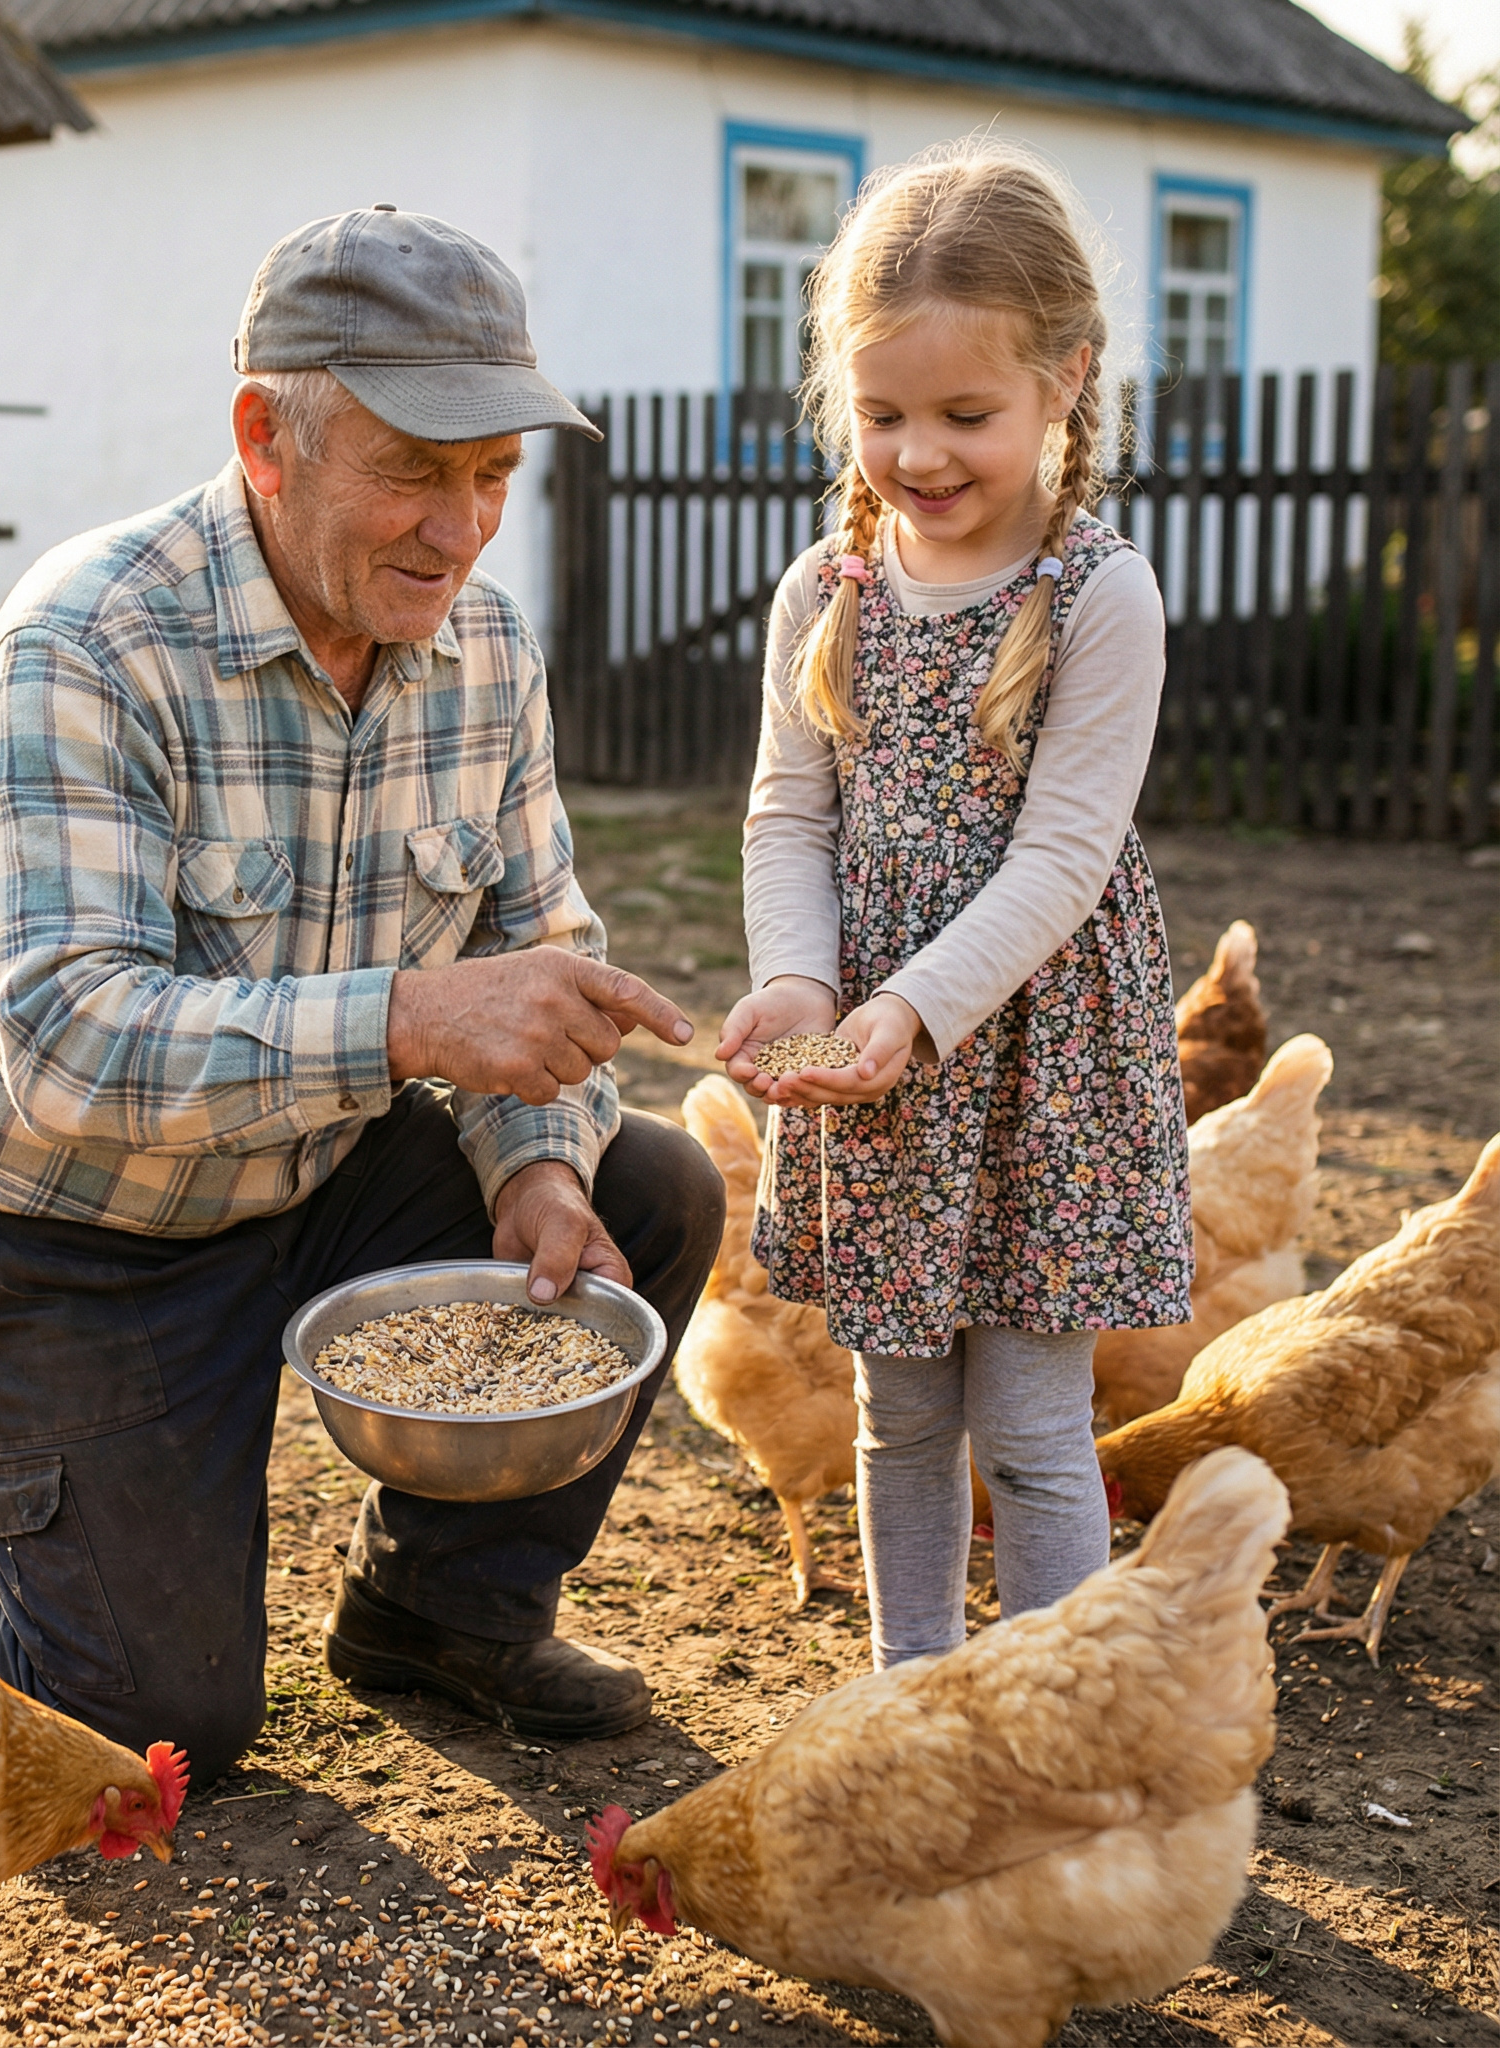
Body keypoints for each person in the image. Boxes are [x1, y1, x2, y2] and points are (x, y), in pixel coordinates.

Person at [0, 206, 724, 1779]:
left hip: (308, 1172)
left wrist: (538, 1164)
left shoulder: (482, 647)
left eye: (495, 475)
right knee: (150, 1728)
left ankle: (441, 1617)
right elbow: (68, 1044)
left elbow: (539, 949)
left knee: (649, 1185)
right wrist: (414, 1017)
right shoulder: (86, 645)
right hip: (58, 1226)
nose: (461, 528)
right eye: (414, 467)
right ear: (264, 439)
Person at [716, 142, 1193, 1671]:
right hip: (870, 1062)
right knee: (896, 1407)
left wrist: (910, 1010)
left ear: (1067, 380)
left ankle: (1043, 1720)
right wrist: (798, 986)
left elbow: (1063, 861)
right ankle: (913, 1699)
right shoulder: (824, 594)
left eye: (964, 415)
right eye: (882, 414)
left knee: (1039, 1426)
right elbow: (791, 815)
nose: (918, 454)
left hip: (1035, 1063)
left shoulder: (1100, 596)